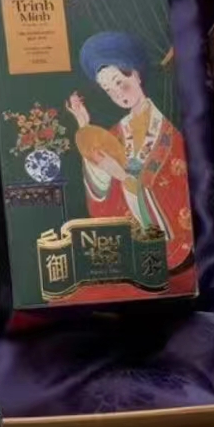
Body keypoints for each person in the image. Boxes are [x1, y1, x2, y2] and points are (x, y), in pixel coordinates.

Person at [65, 31, 193, 274]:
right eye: (108, 89)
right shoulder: (117, 132)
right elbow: (101, 182)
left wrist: (123, 177)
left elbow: (176, 191)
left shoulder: (170, 131)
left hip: (170, 245)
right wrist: (84, 126)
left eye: (118, 82)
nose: (117, 93)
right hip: (133, 242)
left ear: (136, 74)